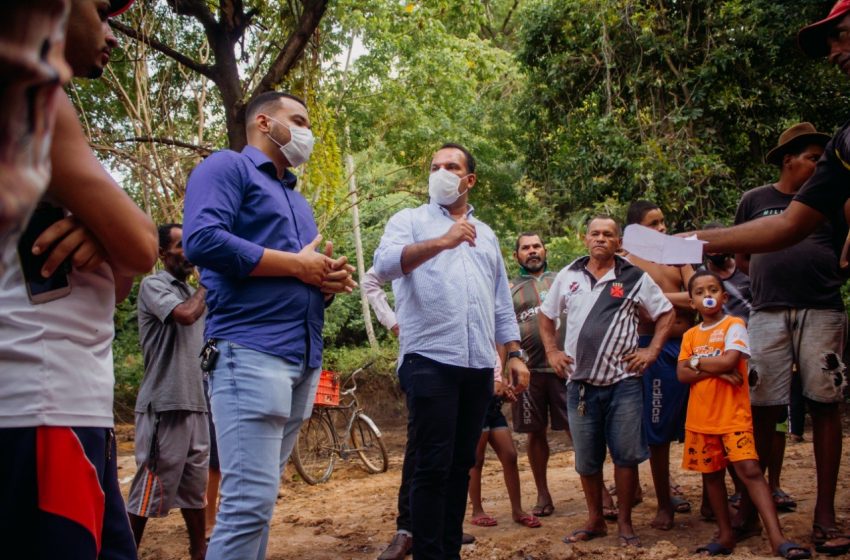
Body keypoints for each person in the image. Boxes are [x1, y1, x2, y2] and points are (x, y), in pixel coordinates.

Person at [0, 0, 158, 558]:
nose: (111, 33)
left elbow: (116, 280)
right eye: (102, 10)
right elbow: (143, 244)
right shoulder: (33, 94)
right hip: (43, 404)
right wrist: (115, 231)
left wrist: (102, 232)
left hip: (55, 405)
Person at [183, 90, 356, 559]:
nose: (306, 132)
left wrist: (323, 279)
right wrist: (298, 267)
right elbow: (201, 240)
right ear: (263, 121)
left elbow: (294, 270)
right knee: (245, 505)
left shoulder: (296, 199)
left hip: (301, 358)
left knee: (258, 504)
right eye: (297, 120)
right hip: (248, 351)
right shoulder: (226, 168)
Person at [373, 143, 530, 560]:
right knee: (432, 463)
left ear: (469, 180)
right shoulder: (409, 220)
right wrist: (442, 242)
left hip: (478, 364)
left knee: (462, 464)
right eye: (434, 166)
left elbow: (500, 301)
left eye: (451, 166)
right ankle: (428, 553)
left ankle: (447, 551)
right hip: (428, 359)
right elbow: (384, 266)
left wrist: (513, 353)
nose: (440, 172)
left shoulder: (489, 234)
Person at [730, 121, 847, 553]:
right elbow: (742, 256)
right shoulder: (755, 200)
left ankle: (825, 514)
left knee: (825, 404)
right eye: (814, 159)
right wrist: (770, 278)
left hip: (822, 307)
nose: (821, 166)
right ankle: (755, 504)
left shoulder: (833, 198)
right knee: (763, 406)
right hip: (766, 312)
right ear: (788, 160)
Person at [539, 215, 675, 548]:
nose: (601, 238)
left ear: (619, 243)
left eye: (608, 234)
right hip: (580, 385)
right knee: (587, 459)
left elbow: (666, 313)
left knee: (626, 456)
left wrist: (652, 352)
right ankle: (596, 519)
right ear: (585, 238)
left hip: (624, 382)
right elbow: (546, 315)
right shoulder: (569, 275)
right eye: (595, 233)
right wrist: (553, 351)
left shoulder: (634, 277)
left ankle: (625, 524)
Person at [676, 270, 810, 559]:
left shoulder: (734, 325)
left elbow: (730, 359)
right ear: (692, 303)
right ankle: (725, 535)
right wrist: (720, 373)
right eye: (700, 292)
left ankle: (776, 537)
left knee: (750, 471)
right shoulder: (689, 334)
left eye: (713, 289)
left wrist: (700, 362)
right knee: (711, 475)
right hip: (700, 419)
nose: (707, 295)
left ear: (724, 297)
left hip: (732, 416)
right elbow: (681, 373)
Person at [362, 267, 476, 560]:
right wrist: (392, 322)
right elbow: (370, 280)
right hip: (423, 363)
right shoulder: (408, 240)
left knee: (455, 456)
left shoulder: (462, 250)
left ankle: (443, 528)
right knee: (421, 453)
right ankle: (407, 531)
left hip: (464, 364)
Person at [126, 224, 209, 560]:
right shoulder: (154, 285)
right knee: (150, 486)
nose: (187, 252)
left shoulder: (195, 294)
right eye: (179, 245)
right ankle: (123, 552)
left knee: (194, 490)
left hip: (197, 403)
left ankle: (198, 552)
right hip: (165, 403)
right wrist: (208, 283)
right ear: (162, 254)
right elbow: (185, 316)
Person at [622, 201, 694, 529]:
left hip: (691, 345)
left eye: (664, 221)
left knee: (704, 424)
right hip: (653, 348)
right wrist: (680, 297)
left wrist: (665, 297)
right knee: (657, 429)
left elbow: (699, 294)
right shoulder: (627, 262)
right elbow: (634, 302)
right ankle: (663, 503)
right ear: (637, 230)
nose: (663, 229)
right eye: (654, 224)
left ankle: (713, 497)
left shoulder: (679, 253)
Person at [509, 232, 570, 518]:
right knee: (535, 433)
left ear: (545, 249)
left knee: (577, 431)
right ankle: (543, 492)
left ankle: (601, 493)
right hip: (528, 372)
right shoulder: (508, 287)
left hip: (564, 368)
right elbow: (501, 329)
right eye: (525, 248)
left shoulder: (564, 279)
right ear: (516, 255)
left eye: (536, 246)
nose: (532, 251)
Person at [468, 358, 540, 530]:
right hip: (476, 402)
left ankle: (517, 510)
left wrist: (503, 385)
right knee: (476, 459)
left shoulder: (495, 345)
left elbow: (498, 372)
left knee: (510, 455)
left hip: (493, 405)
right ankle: (477, 511)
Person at [700, 222, 752, 323]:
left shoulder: (744, 267)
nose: (716, 249)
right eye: (711, 244)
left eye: (719, 242)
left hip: (751, 330)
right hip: (721, 334)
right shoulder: (701, 275)